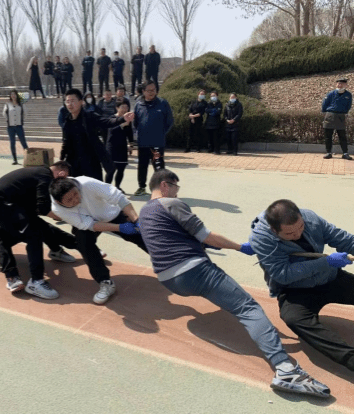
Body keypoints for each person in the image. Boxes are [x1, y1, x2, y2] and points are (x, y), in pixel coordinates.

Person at [139, 170, 331, 398]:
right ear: (165, 185)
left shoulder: (144, 212)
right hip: (194, 270)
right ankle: (285, 369)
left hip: (168, 280)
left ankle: (282, 365)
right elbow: (206, 236)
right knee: (247, 308)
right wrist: (240, 247)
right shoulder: (170, 203)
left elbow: (170, 239)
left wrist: (207, 245)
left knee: (230, 301)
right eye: (176, 188)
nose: (177, 193)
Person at [250, 199, 354, 374]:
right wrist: (326, 262)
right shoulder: (261, 239)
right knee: (294, 319)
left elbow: (344, 240)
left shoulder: (310, 218)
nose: (298, 234)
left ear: (301, 217)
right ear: (274, 230)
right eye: (290, 233)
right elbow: (284, 274)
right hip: (296, 290)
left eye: (301, 227)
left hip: (328, 278)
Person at [0, 172, 77, 293]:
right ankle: (12, 276)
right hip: (0, 234)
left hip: (14, 226)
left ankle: (68, 247)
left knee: (38, 224)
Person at [50, 177, 147, 305]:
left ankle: (168, 258)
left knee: (140, 236)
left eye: (75, 194)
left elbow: (119, 197)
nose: (76, 200)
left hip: (111, 213)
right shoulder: (57, 209)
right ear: (59, 202)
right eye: (69, 200)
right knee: (84, 244)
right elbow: (90, 225)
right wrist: (120, 228)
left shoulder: (86, 183)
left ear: (76, 187)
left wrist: (136, 220)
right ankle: (105, 282)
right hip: (89, 223)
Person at [61, 88, 135, 181]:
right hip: (74, 162)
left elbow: (106, 122)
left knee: (94, 186)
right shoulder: (67, 122)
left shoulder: (89, 116)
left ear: (81, 102)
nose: (70, 104)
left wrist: (122, 119)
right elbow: (65, 143)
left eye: (72, 101)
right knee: (75, 187)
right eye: (67, 101)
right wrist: (61, 160)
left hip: (91, 161)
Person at [133, 80, 174, 196]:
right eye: (149, 90)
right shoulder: (138, 105)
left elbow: (169, 121)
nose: (151, 92)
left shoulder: (162, 103)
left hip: (157, 142)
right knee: (142, 166)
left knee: (159, 166)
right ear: (143, 91)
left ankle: (162, 189)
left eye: (154, 90)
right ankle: (141, 187)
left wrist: (161, 133)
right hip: (143, 142)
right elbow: (135, 123)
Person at [105, 99, 134, 192]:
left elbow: (130, 133)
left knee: (121, 169)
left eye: (126, 107)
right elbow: (111, 131)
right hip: (112, 147)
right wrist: (122, 125)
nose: (125, 109)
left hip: (122, 147)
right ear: (117, 108)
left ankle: (117, 187)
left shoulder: (128, 119)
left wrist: (131, 144)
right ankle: (107, 189)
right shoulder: (112, 118)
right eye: (123, 107)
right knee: (111, 170)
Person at [322, 78, 353, 160]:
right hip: (330, 115)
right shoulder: (331, 93)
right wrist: (326, 112)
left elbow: (349, 105)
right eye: (338, 83)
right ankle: (328, 153)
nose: (340, 85)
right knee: (328, 136)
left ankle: (345, 153)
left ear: (346, 85)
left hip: (341, 116)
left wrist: (344, 112)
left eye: (342, 84)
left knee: (342, 136)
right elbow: (324, 104)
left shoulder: (348, 95)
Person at [2, 90, 29, 165]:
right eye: (12, 94)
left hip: (19, 126)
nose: (13, 96)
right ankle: (15, 159)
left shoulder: (21, 104)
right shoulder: (7, 104)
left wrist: (21, 120)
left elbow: (25, 113)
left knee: (23, 142)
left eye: (14, 94)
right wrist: (8, 119)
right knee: (12, 143)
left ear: (17, 95)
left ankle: (28, 158)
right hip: (10, 126)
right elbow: (4, 113)